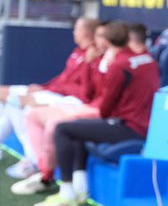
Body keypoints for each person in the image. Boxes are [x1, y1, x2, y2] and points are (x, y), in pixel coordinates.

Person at [34, 21, 160, 206]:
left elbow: (105, 107)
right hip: (144, 124)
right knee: (78, 127)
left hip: (129, 127)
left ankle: (67, 192)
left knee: (63, 129)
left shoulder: (118, 65)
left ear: (107, 41)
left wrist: (102, 68)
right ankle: (80, 189)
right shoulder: (147, 59)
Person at [0, 17, 100, 180]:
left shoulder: (93, 55)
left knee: (21, 103)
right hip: (58, 93)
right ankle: (30, 158)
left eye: (77, 28)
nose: (74, 32)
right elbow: (64, 79)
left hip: (72, 100)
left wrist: (48, 89)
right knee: (8, 98)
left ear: (87, 32)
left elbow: (83, 90)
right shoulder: (78, 52)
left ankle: (33, 161)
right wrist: (45, 87)